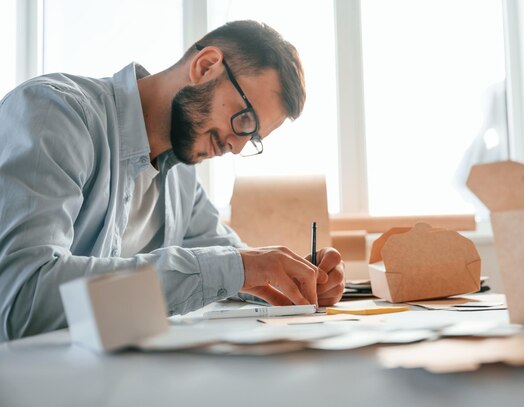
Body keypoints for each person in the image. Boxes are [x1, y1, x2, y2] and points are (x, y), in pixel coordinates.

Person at [0, 20, 345, 341]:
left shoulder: (181, 177)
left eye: (253, 138)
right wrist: (237, 267)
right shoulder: (54, 113)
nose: (236, 146)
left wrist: (293, 276)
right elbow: (21, 302)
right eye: (245, 120)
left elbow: (231, 263)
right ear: (205, 66)